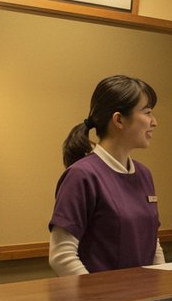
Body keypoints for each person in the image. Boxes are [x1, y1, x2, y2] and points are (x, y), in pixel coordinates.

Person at [48, 74, 164, 275]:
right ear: (118, 120)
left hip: (144, 293)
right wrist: (97, 292)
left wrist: (162, 284)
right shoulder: (82, 175)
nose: (154, 122)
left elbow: (153, 244)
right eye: (147, 113)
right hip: (99, 294)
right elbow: (62, 255)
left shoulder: (144, 174)